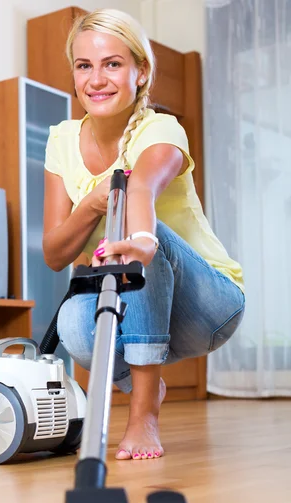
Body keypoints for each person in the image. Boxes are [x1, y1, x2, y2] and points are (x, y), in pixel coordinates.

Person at [42, 8, 245, 461]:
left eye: (112, 64)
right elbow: (55, 252)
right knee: (74, 323)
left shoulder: (161, 129)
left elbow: (141, 186)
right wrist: (93, 202)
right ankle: (145, 381)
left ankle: (143, 416)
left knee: (139, 260)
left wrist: (144, 240)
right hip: (142, 302)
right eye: (84, 65)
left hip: (209, 303)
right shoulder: (61, 141)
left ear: (140, 72)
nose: (97, 79)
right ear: (74, 75)